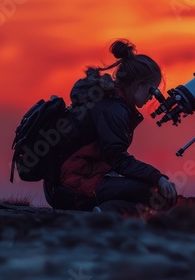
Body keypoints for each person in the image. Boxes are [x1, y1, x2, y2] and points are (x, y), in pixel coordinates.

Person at [43, 39, 177, 216]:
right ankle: (104, 215)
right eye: (152, 90)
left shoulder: (111, 101)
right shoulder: (113, 108)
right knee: (158, 195)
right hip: (72, 186)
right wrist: (157, 177)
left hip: (71, 182)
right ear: (138, 86)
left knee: (146, 191)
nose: (151, 98)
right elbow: (118, 159)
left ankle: (105, 212)